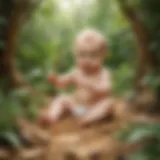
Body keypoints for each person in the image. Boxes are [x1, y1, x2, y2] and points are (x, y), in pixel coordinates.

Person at [40, 29, 114, 126]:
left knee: (108, 103)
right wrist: (55, 80)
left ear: (103, 56)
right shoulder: (76, 72)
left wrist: (90, 86)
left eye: (93, 55)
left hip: (95, 108)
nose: (87, 60)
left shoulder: (103, 73)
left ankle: (88, 119)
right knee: (62, 98)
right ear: (75, 55)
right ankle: (52, 116)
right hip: (78, 108)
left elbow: (106, 89)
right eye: (82, 55)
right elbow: (62, 82)